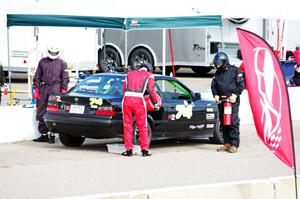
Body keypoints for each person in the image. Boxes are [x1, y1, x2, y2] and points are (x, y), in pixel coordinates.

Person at [122, 62, 160, 157]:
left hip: (126, 99)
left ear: (139, 68)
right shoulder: (149, 75)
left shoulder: (129, 74)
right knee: (142, 125)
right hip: (139, 100)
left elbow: (124, 89)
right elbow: (151, 91)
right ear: (149, 69)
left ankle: (128, 150)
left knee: (127, 125)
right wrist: (156, 102)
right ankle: (144, 150)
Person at [33, 46, 69, 144]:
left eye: (55, 53)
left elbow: (65, 78)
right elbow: (37, 76)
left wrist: (63, 89)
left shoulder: (62, 63)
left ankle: (52, 134)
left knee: (54, 110)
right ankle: (43, 134)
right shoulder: (42, 61)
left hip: (55, 88)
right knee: (41, 109)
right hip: (43, 88)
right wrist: (36, 88)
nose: (53, 54)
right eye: (51, 52)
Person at [211, 52, 245, 153]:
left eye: (218, 64)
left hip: (232, 101)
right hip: (222, 101)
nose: (217, 66)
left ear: (224, 62)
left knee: (233, 122)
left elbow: (242, 84)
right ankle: (227, 143)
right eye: (216, 64)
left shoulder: (236, 71)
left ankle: (234, 144)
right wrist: (215, 95)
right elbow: (214, 85)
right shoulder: (217, 73)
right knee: (223, 121)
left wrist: (235, 94)